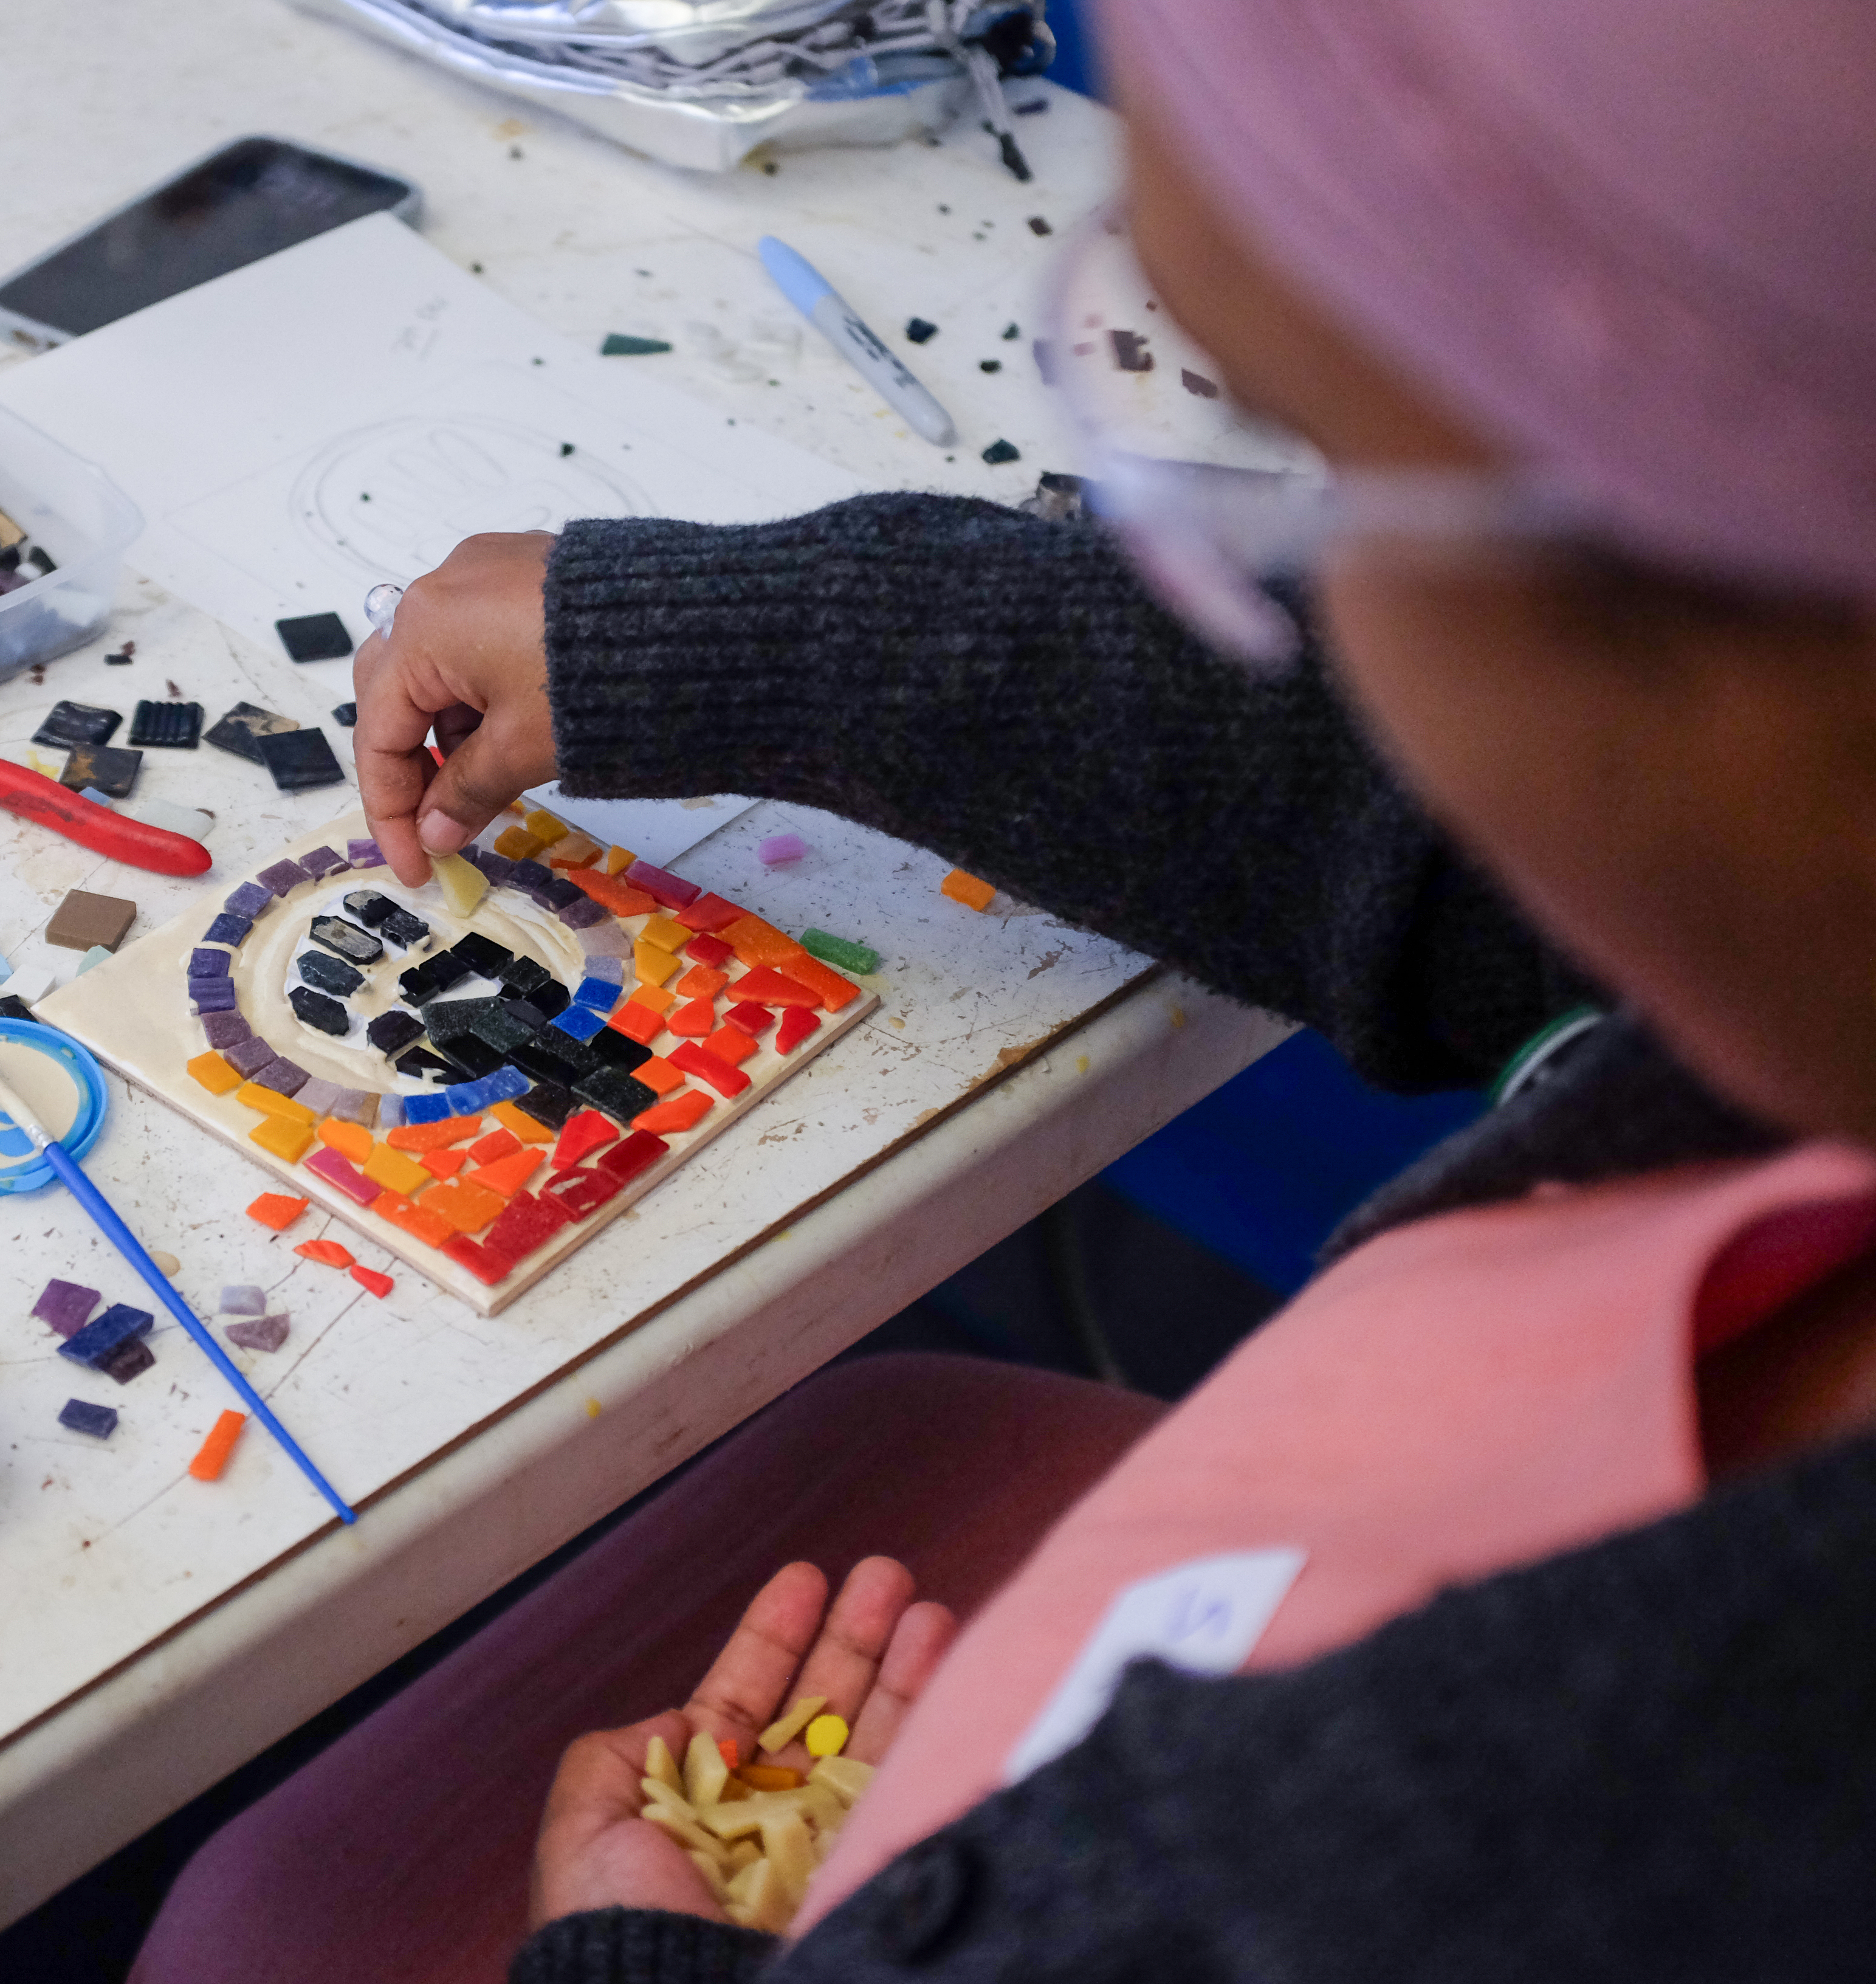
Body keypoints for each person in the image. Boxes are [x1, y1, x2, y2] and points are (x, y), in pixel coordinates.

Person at [131, 0, 1876, 1977]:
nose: (1302, 610)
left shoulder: (1563, 1856)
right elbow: (1417, 823)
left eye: (1301, 464)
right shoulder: (1786, 882)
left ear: (1714, 606)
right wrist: (740, 645)